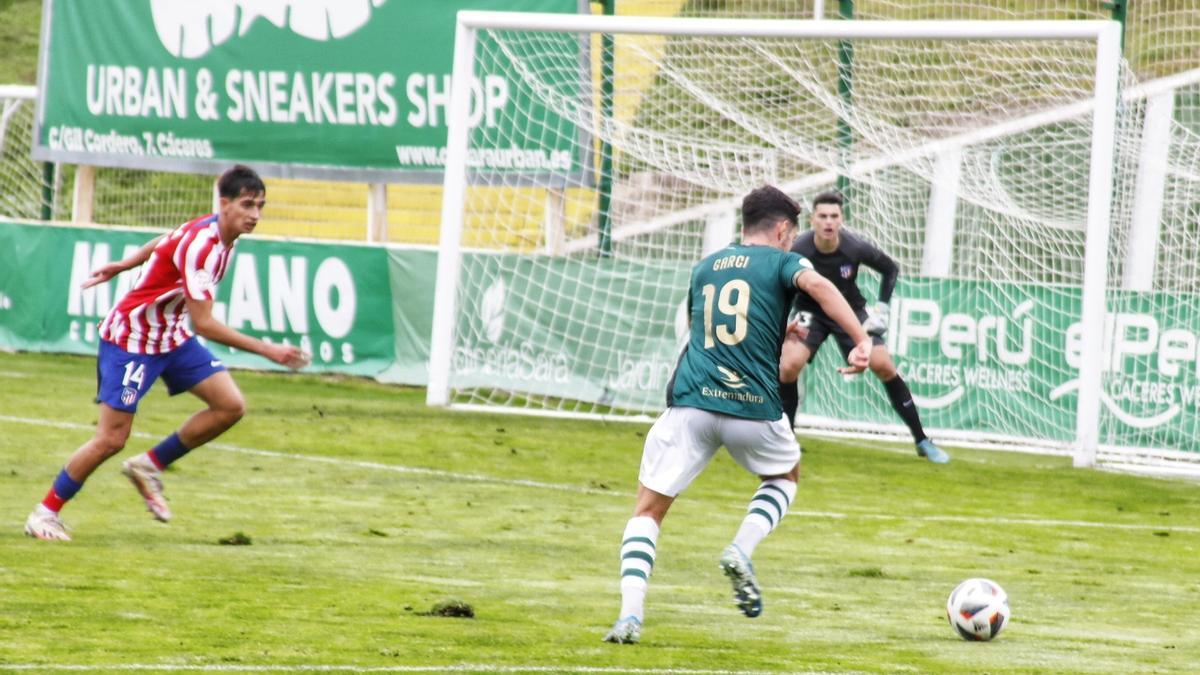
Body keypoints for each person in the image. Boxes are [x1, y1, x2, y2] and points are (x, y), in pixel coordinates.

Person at [602, 185, 872, 645]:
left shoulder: (707, 266)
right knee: (785, 478)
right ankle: (740, 548)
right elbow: (822, 287)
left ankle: (629, 615)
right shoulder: (786, 262)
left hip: (691, 404)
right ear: (784, 230)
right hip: (753, 407)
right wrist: (860, 337)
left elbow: (701, 326)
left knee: (647, 511)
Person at [24, 165, 310, 542]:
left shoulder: (218, 233)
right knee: (111, 438)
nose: (255, 214)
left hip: (169, 337)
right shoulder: (203, 247)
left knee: (229, 405)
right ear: (224, 204)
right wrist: (267, 350)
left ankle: (148, 465)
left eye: (260, 206)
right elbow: (205, 324)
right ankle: (45, 513)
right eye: (247, 205)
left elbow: (164, 240)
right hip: (132, 341)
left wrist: (127, 263)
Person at [778, 191, 949, 464]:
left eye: (834, 216)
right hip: (810, 312)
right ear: (813, 219)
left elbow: (890, 269)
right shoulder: (799, 248)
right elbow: (778, 278)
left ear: (842, 219)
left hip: (849, 311)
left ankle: (921, 439)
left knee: (884, 365)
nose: (828, 222)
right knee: (788, 366)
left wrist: (882, 308)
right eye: (822, 216)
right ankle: (785, 439)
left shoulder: (854, 247)